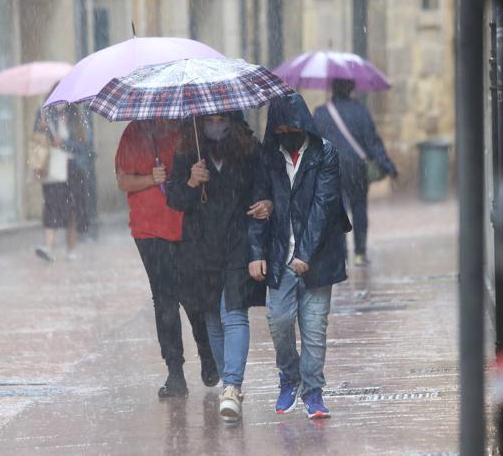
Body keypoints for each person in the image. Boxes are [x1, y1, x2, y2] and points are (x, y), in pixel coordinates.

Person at [248, 94, 352, 419]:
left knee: (314, 326)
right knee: (278, 321)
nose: (286, 131)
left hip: (319, 257)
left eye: (291, 125)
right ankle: (289, 377)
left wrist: (305, 253)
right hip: (279, 254)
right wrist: (255, 252)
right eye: (279, 127)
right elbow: (258, 203)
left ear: (304, 123)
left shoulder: (325, 154)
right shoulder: (267, 157)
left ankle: (313, 391)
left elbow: (323, 206)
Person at [167, 112, 271, 422]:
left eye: (220, 118)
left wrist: (267, 204)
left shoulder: (249, 150)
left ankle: (232, 387)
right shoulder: (188, 153)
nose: (215, 125)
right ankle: (230, 385)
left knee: (234, 312)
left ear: (231, 119)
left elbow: (262, 188)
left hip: (237, 241)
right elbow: (174, 199)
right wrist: (190, 181)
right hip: (200, 247)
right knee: (212, 316)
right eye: (208, 119)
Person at [116, 119, 219, 398]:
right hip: (148, 229)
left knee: (191, 294)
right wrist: (151, 179)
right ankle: (175, 371)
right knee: (164, 299)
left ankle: (207, 353)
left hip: (185, 227)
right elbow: (123, 180)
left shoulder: (190, 131)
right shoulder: (134, 133)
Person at [313, 79, 398, 266]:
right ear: (352, 88)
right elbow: (373, 142)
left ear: (332, 89)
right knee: (359, 208)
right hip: (357, 169)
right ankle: (360, 252)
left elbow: (313, 144)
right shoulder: (361, 111)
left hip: (332, 168)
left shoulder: (321, 113)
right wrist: (389, 166)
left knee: (337, 212)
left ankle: (341, 253)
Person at [34, 104, 91, 262]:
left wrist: (64, 143)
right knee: (51, 205)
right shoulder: (44, 113)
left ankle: (71, 248)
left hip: (74, 169)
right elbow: (37, 139)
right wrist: (42, 129)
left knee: (72, 210)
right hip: (52, 167)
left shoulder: (78, 117)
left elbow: (84, 145)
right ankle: (48, 247)